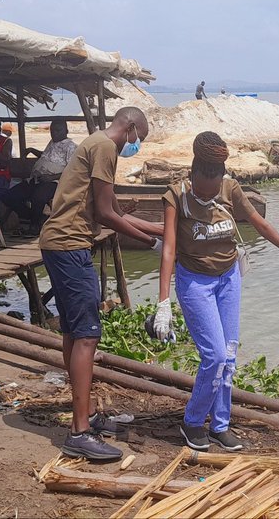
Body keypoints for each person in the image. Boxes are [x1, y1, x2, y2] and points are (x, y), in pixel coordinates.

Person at [153, 132, 279, 452]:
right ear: (195, 173)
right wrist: (163, 303)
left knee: (229, 356)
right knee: (213, 356)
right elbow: (169, 250)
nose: (210, 195)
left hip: (229, 278)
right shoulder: (177, 196)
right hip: (196, 282)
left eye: (215, 189)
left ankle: (220, 425)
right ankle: (192, 421)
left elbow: (261, 225)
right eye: (204, 189)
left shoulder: (230, 189)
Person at [39, 106, 164, 460]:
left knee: (73, 332)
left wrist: (159, 230)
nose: (135, 145)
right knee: (88, 335)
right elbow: (108, 215)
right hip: (70, 244)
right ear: (130, 127)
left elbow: (106, 209)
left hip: (59, 242)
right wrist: (153, 243)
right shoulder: (107, 148)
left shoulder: (93, 142)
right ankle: (79, 432)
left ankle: (89, 414)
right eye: (138, 137)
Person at [3, 120, 76, 235]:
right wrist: (32, 150)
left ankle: (34, 226)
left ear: (66, 131)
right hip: (37, 178)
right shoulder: (52, 142)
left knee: (38, 197)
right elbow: (46, 156)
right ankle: (39, 218)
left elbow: (72, 170)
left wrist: (51, 177)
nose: (54, 134)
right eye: (52, 131)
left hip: (54, 181)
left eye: (58, 130)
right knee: (9, 196)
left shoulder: (70, 147)